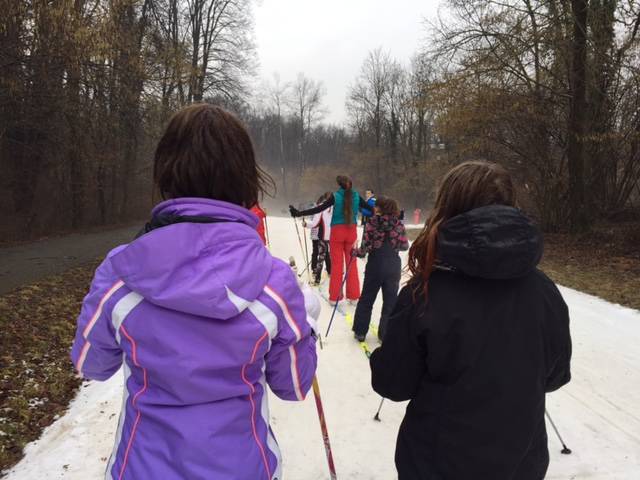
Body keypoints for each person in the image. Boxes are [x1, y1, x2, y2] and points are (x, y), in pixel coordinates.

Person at [71, 104, 319, 480]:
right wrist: (308, 322)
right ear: (245, 178)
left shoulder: (120, 273)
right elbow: (294, 386)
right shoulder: (275, 282)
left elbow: (91, 365)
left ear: (165, 173)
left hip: (141, 468)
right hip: (245, 467)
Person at [370, 161, 572, 480]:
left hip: (438, 466)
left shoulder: (424, 293)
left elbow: (392, 383)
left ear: (447, 211)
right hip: (520, 466)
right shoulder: (543, 290)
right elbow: (555, 374)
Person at [289, 175, 368, 303]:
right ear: (351, 184)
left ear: (339, 185)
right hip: (351, 232)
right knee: (351, 264)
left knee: (337, 266)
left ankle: (335, 297)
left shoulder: (335, 196)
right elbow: (370, 209)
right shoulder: (357, 196)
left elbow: (318, 208)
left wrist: (299, 213)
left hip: (337, 232)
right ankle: (353, 296)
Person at [352, 196, 408, 342]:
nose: (374, 208)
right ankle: (385, 334)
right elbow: (404, 246)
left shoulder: (372, 222)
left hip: (376, 264)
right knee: (390, 301)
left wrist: (355, 252)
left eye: (376, 206)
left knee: (367, 298)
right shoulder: (399, 224)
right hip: (393, 265)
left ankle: (360, 331)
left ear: (381, 208)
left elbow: (365, 248)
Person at [304, 192, 332, 285]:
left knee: (321, 257)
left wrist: (306, 224)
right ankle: (331, 272)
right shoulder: (335, 207)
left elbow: (315, 223)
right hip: (333, 236)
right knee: (328, 255)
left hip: (323, 236)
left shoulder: (321, 208)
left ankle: (317, 278)